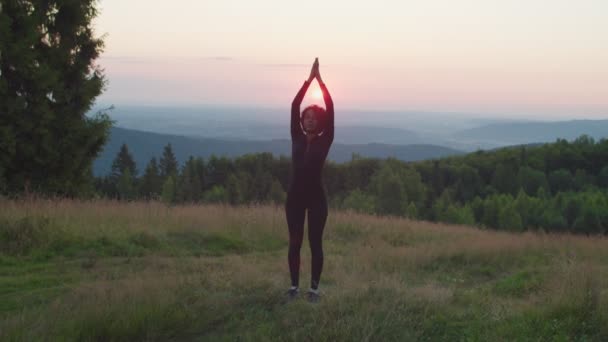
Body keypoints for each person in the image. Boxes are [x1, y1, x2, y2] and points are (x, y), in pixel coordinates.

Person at [285, 58, 334, 303]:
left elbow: (332, 108)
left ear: (320, 121)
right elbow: (295, 104)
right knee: (294, 243)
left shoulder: (326, 139)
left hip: (317, 199)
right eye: (307, 117)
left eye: (314, 117)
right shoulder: (296, 136)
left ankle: (313, 290)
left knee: (315, 243)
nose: (309, 119)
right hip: (294, 197)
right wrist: (308, 79)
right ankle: (294, 286)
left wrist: (321, 82)